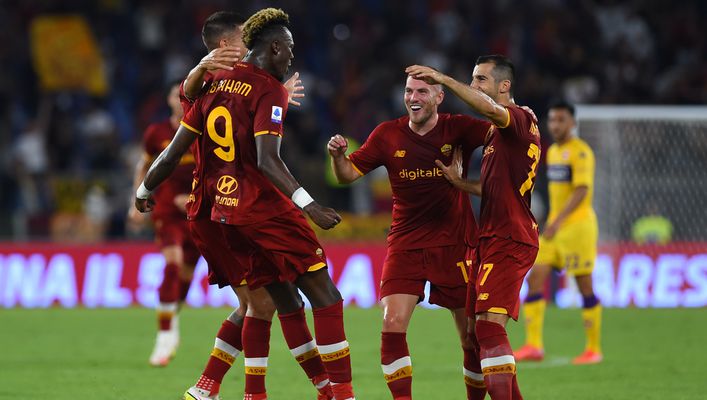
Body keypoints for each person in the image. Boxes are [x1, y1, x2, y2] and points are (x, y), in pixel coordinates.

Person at [135, 8, 355, 400]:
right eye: (288, 49)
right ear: (274, 47)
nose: (291, 58)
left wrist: (143, 190)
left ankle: (232, 390)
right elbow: (267, 159)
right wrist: (310, 205)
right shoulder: (265, 87)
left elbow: (173, 149)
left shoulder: (211, 86)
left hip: (215, 212)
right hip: (259, 208)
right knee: (320, 293)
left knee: (271, 300)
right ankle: (341, 393)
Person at [328, 75, 488, 400]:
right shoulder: (388, 135)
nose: (413, 97)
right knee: (392, 324)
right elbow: (346, 176)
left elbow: (505, 131)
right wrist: (337, 157)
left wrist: (517, 114)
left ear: (439, 97)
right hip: (406, 243)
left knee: (471, 337)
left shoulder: (460, 128)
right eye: (409, 91)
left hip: (455, 243)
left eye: (422, 91)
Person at [407, 55, 541, 400]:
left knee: (487, 327)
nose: (474, 85)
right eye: (472, 78)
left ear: (504, 86)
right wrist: (460, 182)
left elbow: (491, 110)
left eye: (480, 79)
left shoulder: (519, 119)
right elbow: (495, 188)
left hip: (510, 237)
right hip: (490, 237)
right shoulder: (500, 134)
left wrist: (444, 79)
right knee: (472, 332)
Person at [514, 100, 602, 365]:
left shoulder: (581, 152)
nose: (555, 125)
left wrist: (559, 220)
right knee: (535, 278)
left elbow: (582, 190)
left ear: (573, 123)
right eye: (552, 120)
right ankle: (533, 345)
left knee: (585, 285)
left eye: (561, 120)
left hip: (577, 227)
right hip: (555, 228)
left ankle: (593, 349)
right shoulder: (551, 152)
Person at [128, 81, 199, 367]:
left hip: (198, 211)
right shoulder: (156, 133)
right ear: (170, 100)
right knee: (172, 263)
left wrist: (194, 196)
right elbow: (143, 166)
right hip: (166, 210)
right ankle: (165, 335)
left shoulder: (203, 130)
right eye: (175, 94)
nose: (179, 98)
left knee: (185, 275)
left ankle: (172, 321)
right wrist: (136, 199)